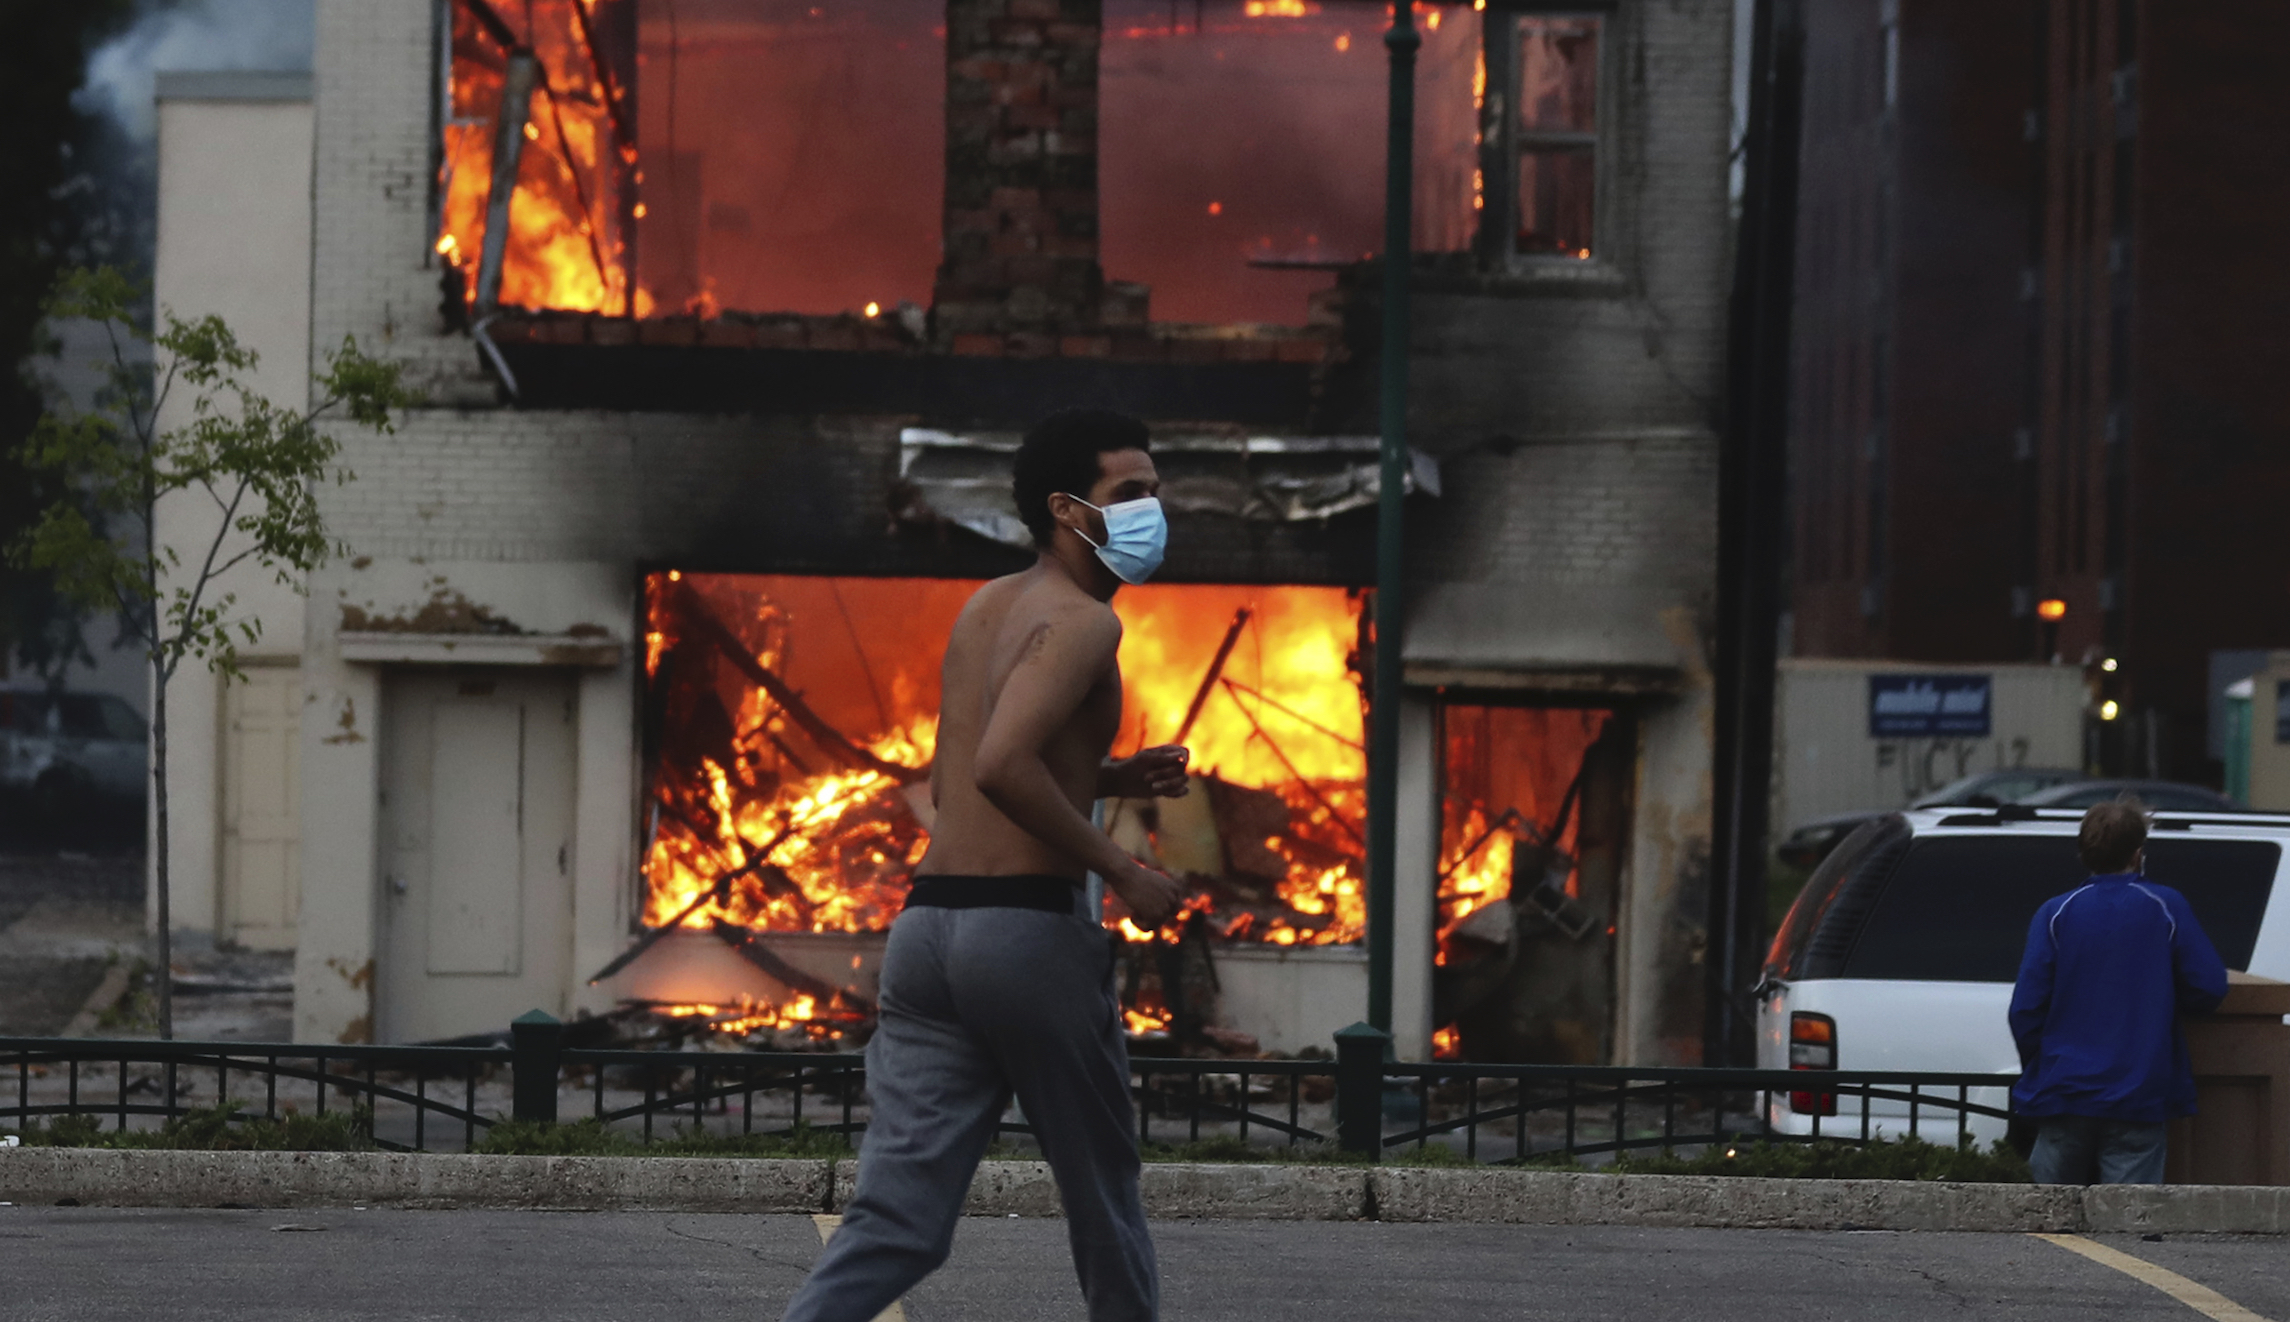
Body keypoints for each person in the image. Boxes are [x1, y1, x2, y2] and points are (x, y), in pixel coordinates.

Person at [781, 409, 1189, 1322]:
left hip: (927, 935)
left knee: (898, 1220)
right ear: (1068, 508)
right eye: (1130, 492)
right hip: (1026, 936)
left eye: (1155, 491)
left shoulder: (986, 606)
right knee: (1103, 1195)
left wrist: (1111, 774)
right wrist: (1125, 872)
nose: (1153, 510)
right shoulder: (1085, 622)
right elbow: (1002, 766)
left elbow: (953, 776)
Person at [2008, 797, 2228, 1185]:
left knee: (2045, 1210)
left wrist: (2041, 1065)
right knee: (2128, 1215)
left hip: (2064, 1092)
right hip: (2138, 1093)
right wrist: (2163, 1003)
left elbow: (2026, 1009)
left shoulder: (2056, 912)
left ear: (2084, 853)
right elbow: (2208, 986)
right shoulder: (2164, 906)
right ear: (2138, 853)